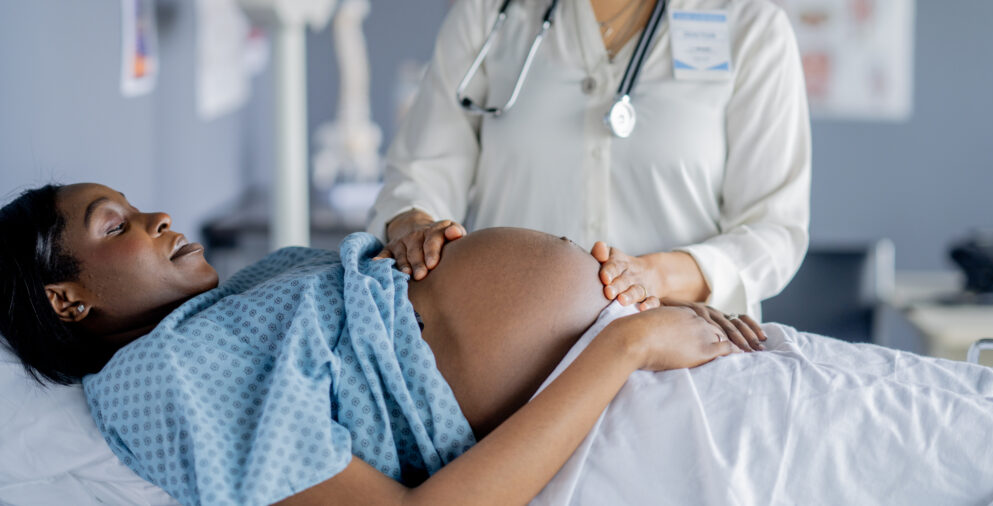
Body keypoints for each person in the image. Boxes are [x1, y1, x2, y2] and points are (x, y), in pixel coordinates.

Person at [0, 183, 759, 506]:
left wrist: (411, 236)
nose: (156, 215)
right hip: (612, 380)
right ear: (67, 300)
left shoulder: (236, 298)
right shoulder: (157, 383)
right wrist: (626, 347)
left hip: (642, 338)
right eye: (115, 224)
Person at [368, 0, 811, 321]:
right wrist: (413, 226)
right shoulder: (488, 13)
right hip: (502, 356)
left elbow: (774, 231)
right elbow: (420, 171)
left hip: (678, 361)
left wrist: (653, 276)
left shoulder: (752, 28)